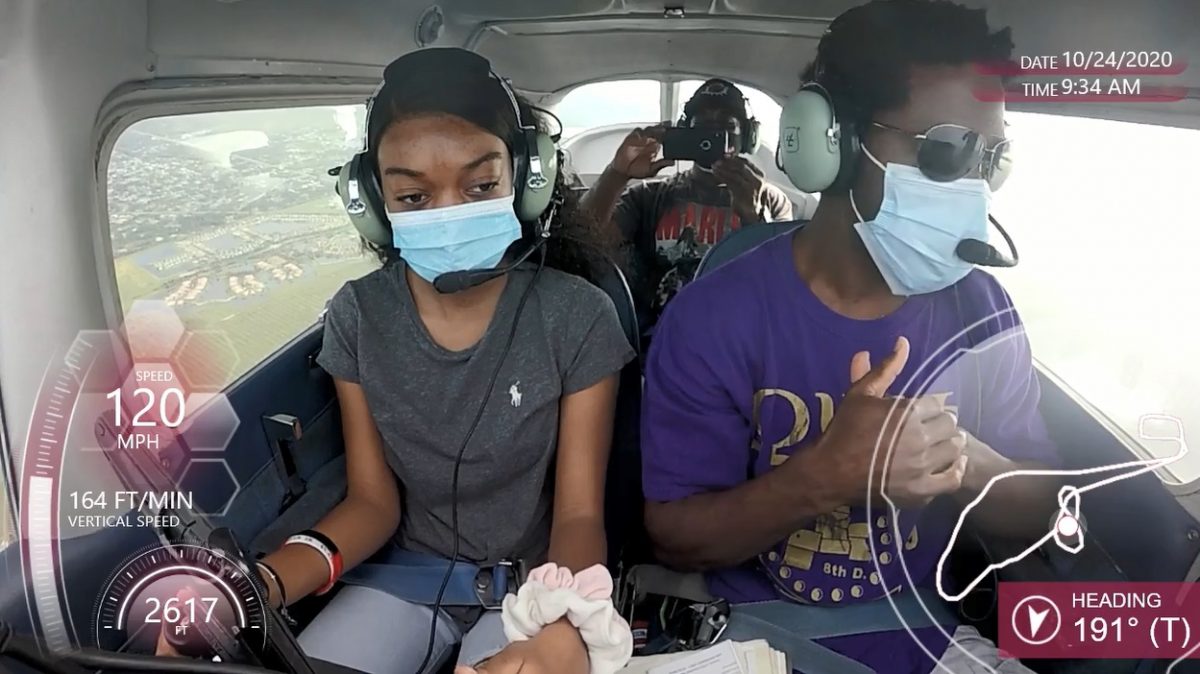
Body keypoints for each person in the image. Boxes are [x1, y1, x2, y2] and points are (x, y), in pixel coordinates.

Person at [159, 48, 635, 674]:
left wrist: (563, 628)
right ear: (372, 202)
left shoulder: (578, 316)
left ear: (528, 178)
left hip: (527, 588)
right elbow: (371, 504)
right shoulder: (357, 315)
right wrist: (254, 590)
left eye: (481, 185)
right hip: (401, 576)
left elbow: (578, 514)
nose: (448, 214)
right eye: (413, 196)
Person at [639, 2, 1062, 673]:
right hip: (742, 633)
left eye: (993, 156)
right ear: (830, 143)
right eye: (947, 151)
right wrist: (827, 477)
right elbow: (676, 540)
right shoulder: (714, 317)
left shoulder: (983, 312)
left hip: (925, 630)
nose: (977, 185)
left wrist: (960, 460)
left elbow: (1042, 509)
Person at [580, 78, 793, 329]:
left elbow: (783, 287)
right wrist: (617, 174)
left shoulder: (770, 200)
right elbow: (582, 242)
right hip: (658, 337)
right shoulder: (650, 196)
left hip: (736, 340)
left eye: (726, 126)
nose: (713, 137)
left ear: (747, 137)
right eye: (702, 127)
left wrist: (755, 219)